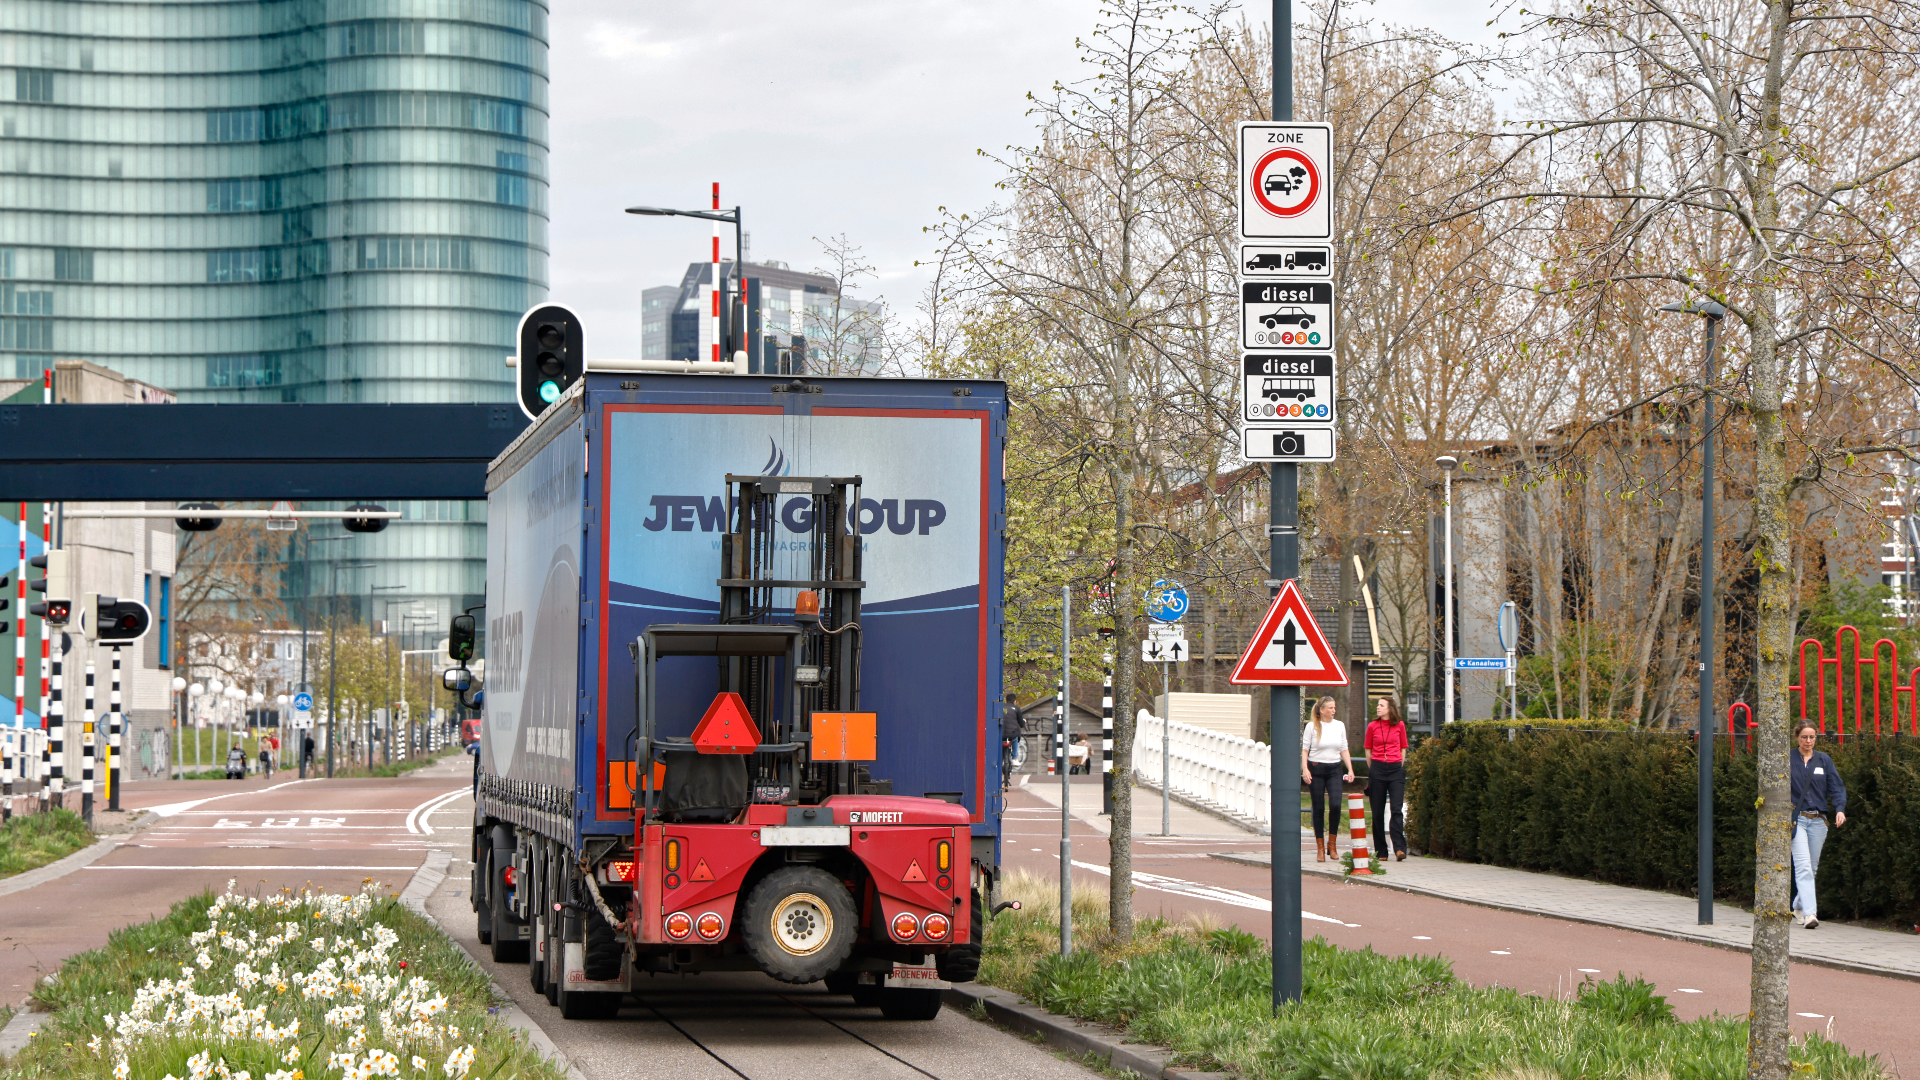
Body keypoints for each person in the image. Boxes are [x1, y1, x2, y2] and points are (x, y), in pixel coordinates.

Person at [1789, 719, 1847, 929]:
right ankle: (1810, 913)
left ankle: (1797, 905)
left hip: (1819, 821)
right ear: (1797, 737)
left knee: (1811, 869)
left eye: (1812, 737)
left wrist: (1839, 809)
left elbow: (1836, 787)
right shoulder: (1788, 758)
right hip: (1798, 821)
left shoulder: (1824, 761)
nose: (1808, 741)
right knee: (1803, 867)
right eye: (1804, 736)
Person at [1300, 696, 1354, 862]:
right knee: (1318, 807)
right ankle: (1320, 847)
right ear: (1321, 710)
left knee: (1336, 804)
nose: (1333, 711)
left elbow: (1344, 748)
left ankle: (1332, 843)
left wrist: (1350, 769)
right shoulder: (1312, 726)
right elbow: (1305, 750)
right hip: (1316, 768)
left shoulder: (1339, 726)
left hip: (1334, 769)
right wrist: (1305, 769)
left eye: (1334, 707)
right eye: (1330, 708)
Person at [1365, 696, 1410, 862]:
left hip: (1395, 769)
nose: (1378, 707)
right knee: (1377, 811)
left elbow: (1403, 748)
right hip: (1377, 768)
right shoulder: (1372, 726)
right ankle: (1381, 851)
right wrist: (1374, 768)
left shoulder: (1400, 725)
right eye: (1377, 705)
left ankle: (1399, 848)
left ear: (1389, 709)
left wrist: (1398, 764)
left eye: (1381, 705)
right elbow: (1368, 750)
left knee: (1396, 809)